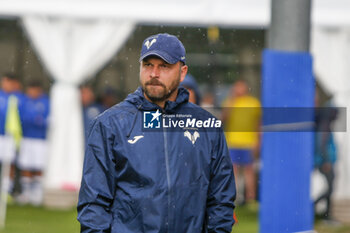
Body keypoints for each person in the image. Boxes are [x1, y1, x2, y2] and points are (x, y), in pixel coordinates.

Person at [77, 33, 236, 233]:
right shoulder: (109, 124)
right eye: (148, 65)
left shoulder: (207, 125)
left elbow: (221, 200)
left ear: (182, 71)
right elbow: (94, 202)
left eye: (164, 66)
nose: (154, 73)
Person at [222, 80, 261, 206]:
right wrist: (231, 100)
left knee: (249, 171)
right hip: (232, 141)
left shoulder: (254, 103)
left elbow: (258, 124)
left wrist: (257, 141)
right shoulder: (230, 102)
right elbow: (224, 118)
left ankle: (250, 199)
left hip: (248, 142)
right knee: (233, 170)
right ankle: (235, 197)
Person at [17, 80, 50, 205]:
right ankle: (26, 193)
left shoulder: (45, 102)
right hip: (26, 138)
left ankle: (37, 193)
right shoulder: (24, 101)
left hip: (41, 139)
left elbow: (47, 120)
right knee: (26, 165)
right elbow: (22, 118)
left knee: (39, 165)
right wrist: (35, 120)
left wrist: (36, 120)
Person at [314, 96, 338, 220]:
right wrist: (326, 160)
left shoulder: (324, 124)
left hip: (324, 160)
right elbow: (321, 144)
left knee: (330, 187)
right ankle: (322, 212)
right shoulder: (324, 125)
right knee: (330, 188)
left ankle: (326, 214)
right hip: (324, 161)